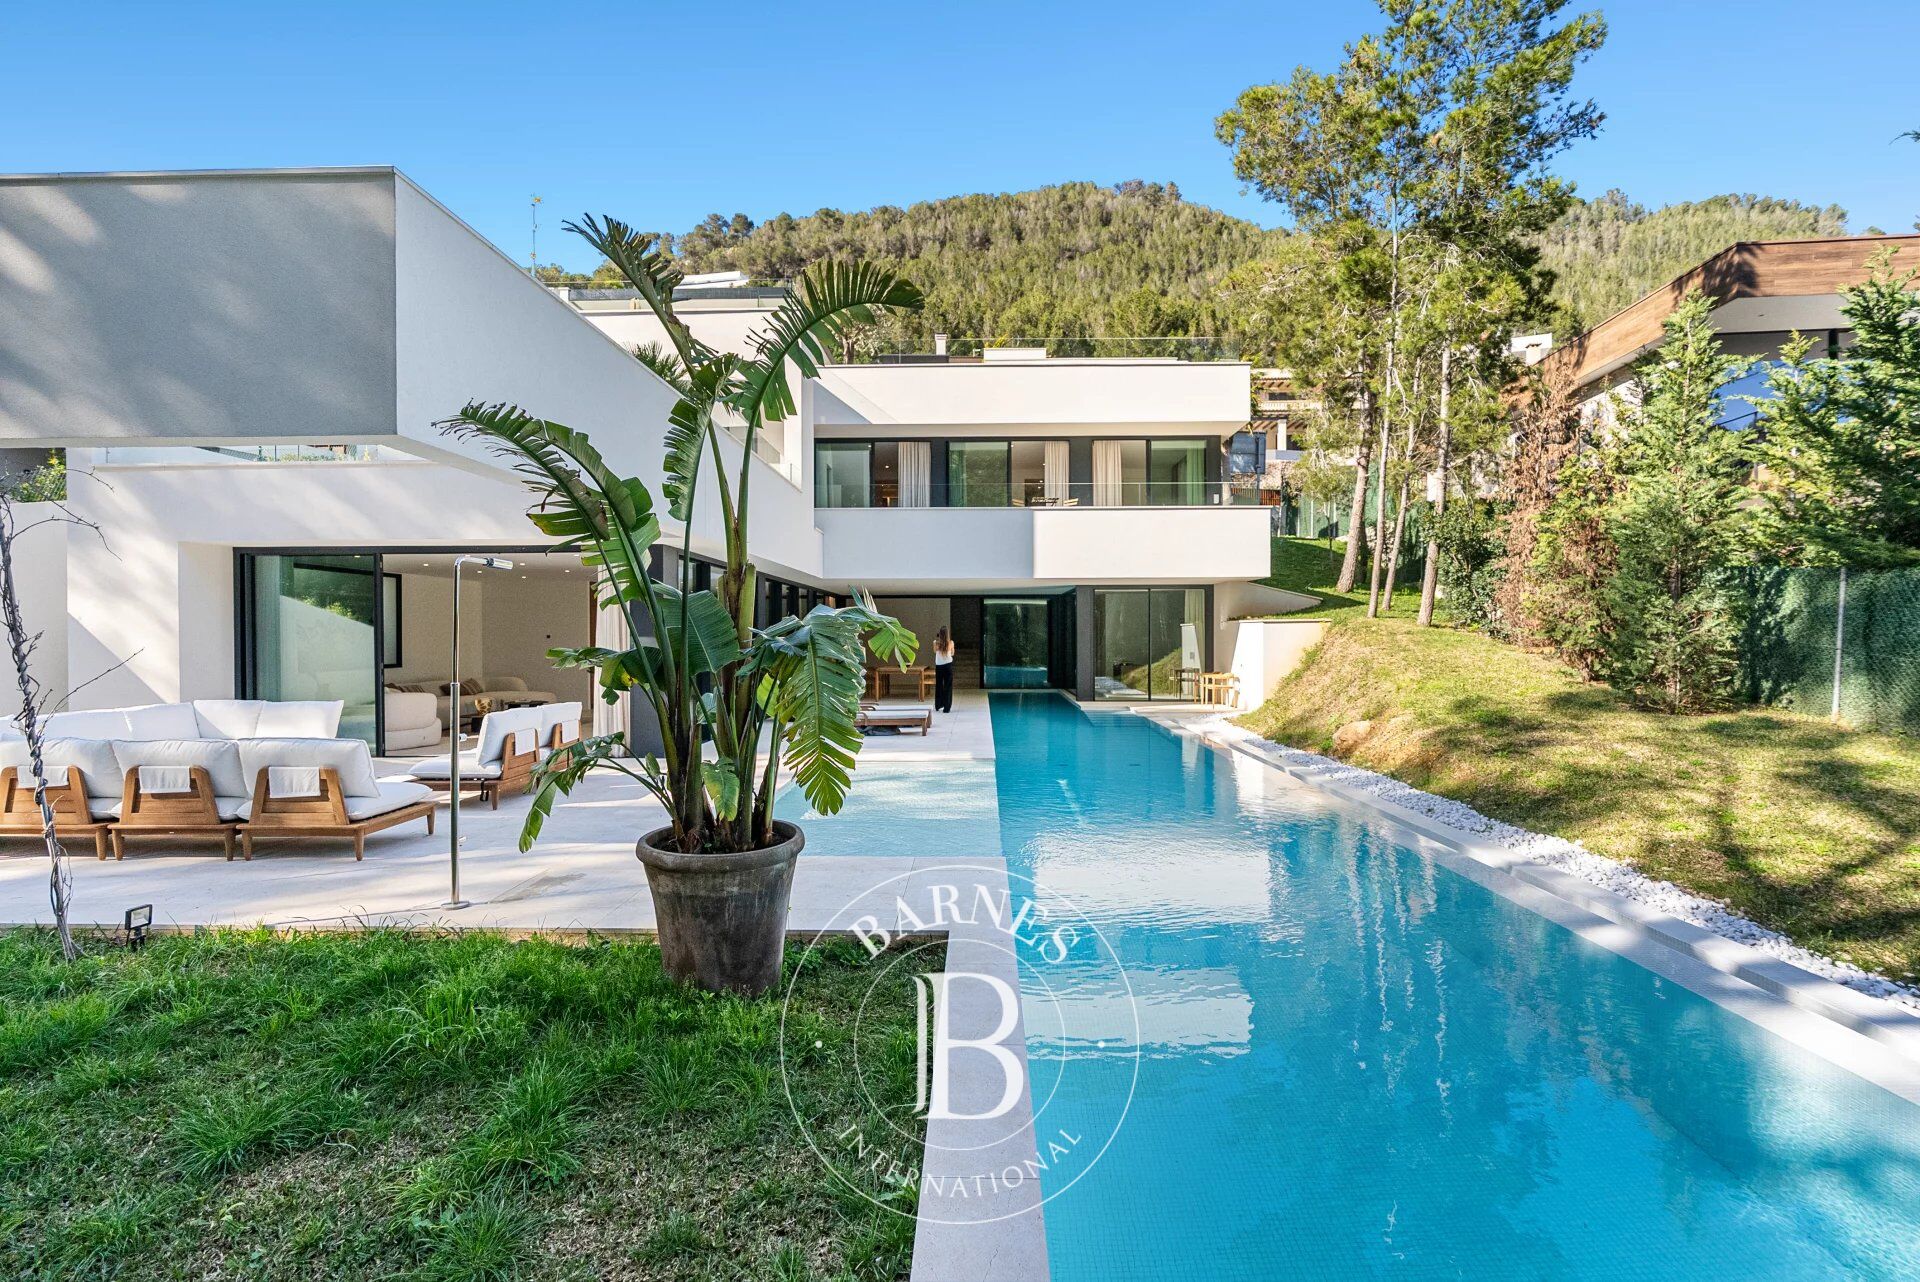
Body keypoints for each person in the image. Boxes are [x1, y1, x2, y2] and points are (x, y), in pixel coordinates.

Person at [932, 625, 955, 713]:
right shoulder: (951, 643)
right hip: (948, 666)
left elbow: (935, 651)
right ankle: (947, 707)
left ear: (940, 634)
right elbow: (952, 653)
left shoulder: (935, 643)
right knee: (948, 686)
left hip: (939, 666)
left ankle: (938, 705)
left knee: (939, 685)